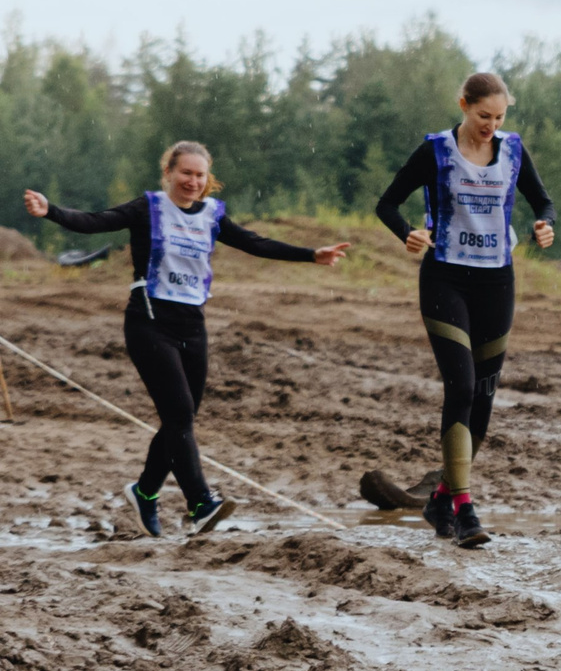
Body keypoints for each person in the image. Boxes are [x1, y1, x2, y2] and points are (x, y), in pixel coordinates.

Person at [22, 142, 351, 538]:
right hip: (149, 321)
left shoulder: (212, 214)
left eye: (199, 175)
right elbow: (95, 221)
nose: (193, 182)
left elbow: (255, 242)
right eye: (185, 173)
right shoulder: (148, 208)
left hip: (192, 325)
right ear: (169, 174)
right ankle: (200, 503)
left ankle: (145, 492)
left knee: (182, 417)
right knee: (178, 413)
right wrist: (51, 211)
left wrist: (311, 255)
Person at [373, 70, 557, 548]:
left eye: (498, 118)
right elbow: (387, 204)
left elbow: (543, 201)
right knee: (462, 385)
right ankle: (465, 507)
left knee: (485, 396)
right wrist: (407, 232)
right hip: (445, 278)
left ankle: (440, 497)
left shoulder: (513, 150)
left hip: (497, 282)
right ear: (463, 105)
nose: (490, 126)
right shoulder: (435, 150)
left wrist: (544, 224)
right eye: (482, 116)